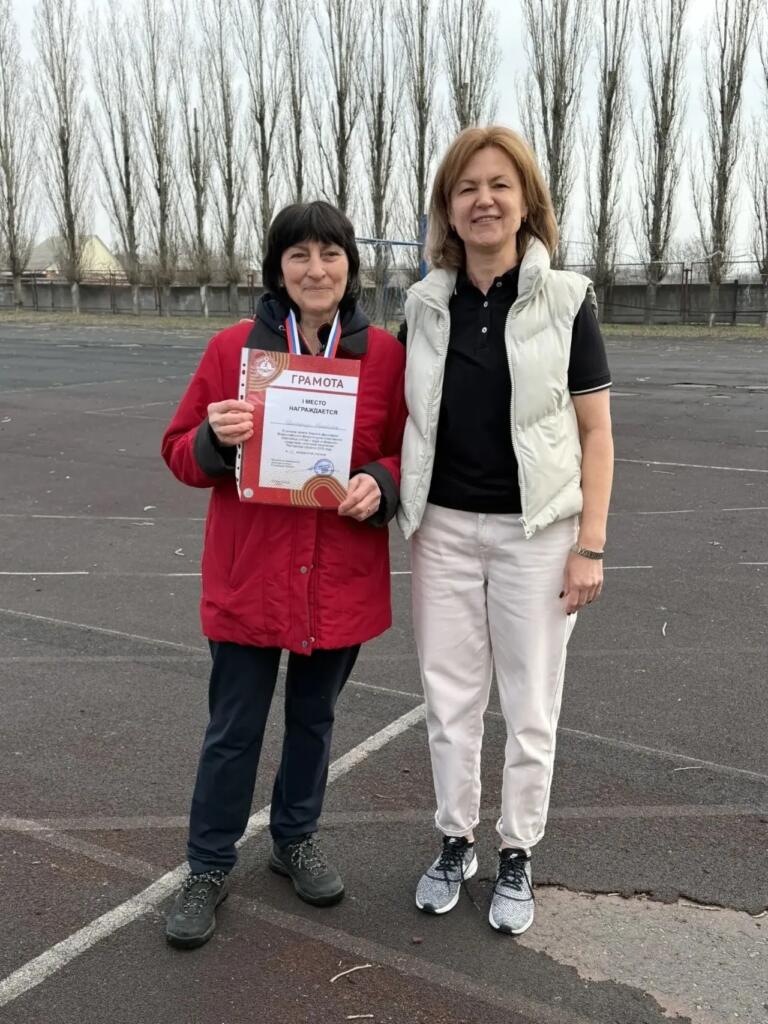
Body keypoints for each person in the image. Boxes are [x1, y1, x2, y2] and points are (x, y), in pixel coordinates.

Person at [161, 201, 407, 949]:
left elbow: (407, 451)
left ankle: (294, 839)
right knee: (233, 728)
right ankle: (208, 864)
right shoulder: (233, 350)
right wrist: (213, 439)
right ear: (277, 269)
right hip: (253, 578)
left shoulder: (384, 356)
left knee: (313, 720)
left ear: (350, 266)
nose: (315, 269)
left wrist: (381, 483)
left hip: (336, 579)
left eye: (330, 254)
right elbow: (177, 449)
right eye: (298, 255)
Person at [398, 126, 614, 936]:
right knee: (448, 701)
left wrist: (589, 544)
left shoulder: (567, 300)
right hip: (443, 531)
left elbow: (597, 433)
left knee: (531, 706)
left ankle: (517, 850)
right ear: (447, 209)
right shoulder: (423, 306)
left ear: (526, 202)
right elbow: (391, 414)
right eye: (466, 188)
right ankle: (455, 840)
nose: (482, 200)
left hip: (538, 535)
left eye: (499, 185)